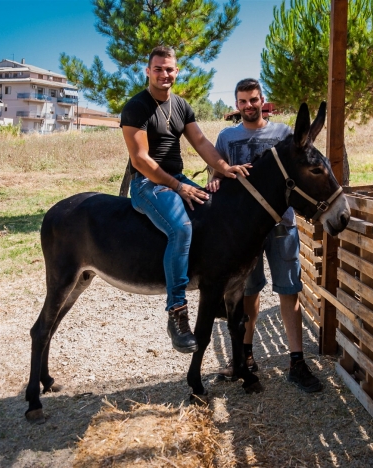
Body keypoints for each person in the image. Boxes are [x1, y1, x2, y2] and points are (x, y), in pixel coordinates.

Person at [120, 46, 250, 354]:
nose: (164, 74)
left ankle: (216, 297)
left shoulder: (180, 105)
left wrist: (224, 167)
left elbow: (202, 142)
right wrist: (178, 188)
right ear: (148, 71)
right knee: (180, 228)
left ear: (176, 72)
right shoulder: (136, 107)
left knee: (217, 215)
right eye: (158, 68)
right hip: (147, 184)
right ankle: (177, 313)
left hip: (176, 179)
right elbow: (139, 159)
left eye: (169, 69)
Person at [207, 78, 322, 393]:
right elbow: (217, 173)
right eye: (242, 101)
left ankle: (297, 362)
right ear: (236, 104)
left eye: (253, 100)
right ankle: (245, 357)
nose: (248, 106)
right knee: (248, 293)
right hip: (244, 233)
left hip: (282, 225)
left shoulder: (283, 133)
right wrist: (215, 181)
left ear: (262, 101)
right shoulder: (226, 137)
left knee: (289, 290)